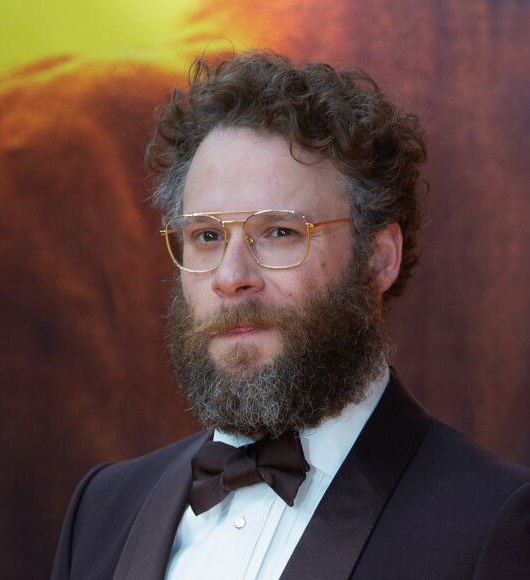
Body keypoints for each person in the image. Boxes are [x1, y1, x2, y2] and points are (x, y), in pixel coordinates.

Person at [51, 50, 530, 579]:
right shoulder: (100, 510)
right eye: (207, 236)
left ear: (378, 258)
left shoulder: (494, 524)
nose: (231, 276)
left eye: (280, 232)